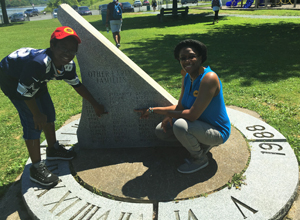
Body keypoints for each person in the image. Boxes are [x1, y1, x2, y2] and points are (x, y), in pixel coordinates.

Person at [0, 26, 107, 187]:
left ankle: (53, 149)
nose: (68, 53)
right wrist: (36, 114)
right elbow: (24, 91)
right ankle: (36, 168)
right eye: (63, 47)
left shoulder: (68, 65)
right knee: (33, 122)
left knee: (48, 112)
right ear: (52, 46)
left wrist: (95, 105)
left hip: (36, 78)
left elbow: (77, 86)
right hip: (11, 77)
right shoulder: (39, 64)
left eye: (72, 49)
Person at [135, 39, 231, 174]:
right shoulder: (187, 77)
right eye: (183, 58)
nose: (187, 61)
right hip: (198, 125)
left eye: (192, 56)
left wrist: (162, 113)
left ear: (200, 57)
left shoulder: (209, 78)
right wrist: (156, 111)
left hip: (217, 130)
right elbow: (180, 106)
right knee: (161, 131)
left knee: (180, 125)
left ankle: (200, 158)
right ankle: (201, 143)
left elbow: (192, 115)